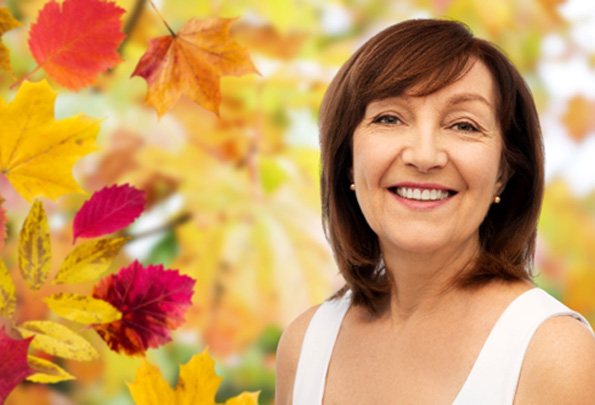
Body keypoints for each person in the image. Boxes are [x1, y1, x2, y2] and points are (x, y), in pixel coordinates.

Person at [275, 19, 595, 404]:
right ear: (347, 163)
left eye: (464, 125)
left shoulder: (551, 351)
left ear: (503, 174)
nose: (424, 156)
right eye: (389, 118)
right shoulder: (306, 343)